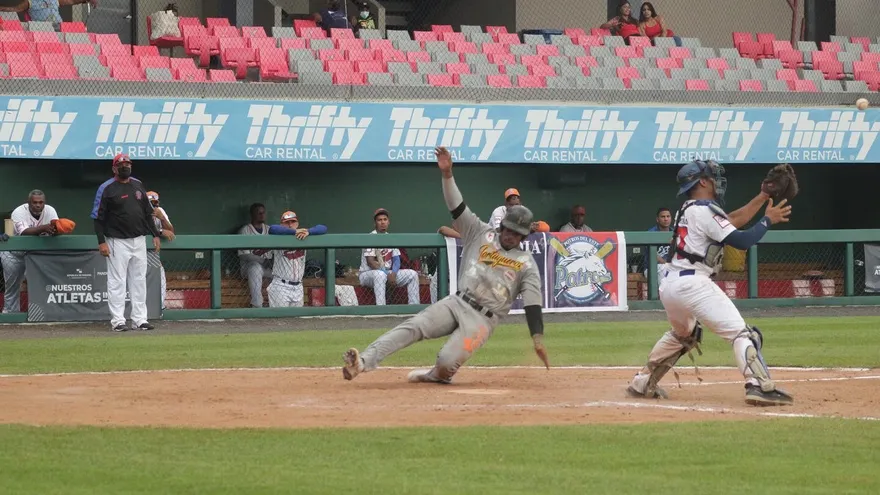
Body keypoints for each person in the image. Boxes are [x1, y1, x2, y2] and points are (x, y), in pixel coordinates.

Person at [342, 147, 549, 383]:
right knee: (414, 326)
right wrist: (447, 174)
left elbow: (533, 303)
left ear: (523, 237)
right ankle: (362, 362)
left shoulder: (526, 263)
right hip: (457, 301)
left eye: (517, 233)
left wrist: (537, 338)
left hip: (483, 319)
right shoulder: (480, 232)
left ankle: (435, 375)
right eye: (509, 229)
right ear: (502, 226)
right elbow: (457, 206)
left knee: (446, 363)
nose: (511, 235)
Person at [626, 159, 794, 406]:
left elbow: (733, 220)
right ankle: (758, 385)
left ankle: (642, 381)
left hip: (671, 285)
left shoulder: (690, 208)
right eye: (713, 176)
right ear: (702, 181)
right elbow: (743, 240)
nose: (717, 181)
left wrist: (762, 196)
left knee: (684, 335)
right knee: (743, 333)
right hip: (693, 284)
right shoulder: (704, 210)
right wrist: (767, 220)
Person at [92, 154, 162, 332]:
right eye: (122, 164)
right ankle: (118, 321)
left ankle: (140, 319)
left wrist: (154, 234)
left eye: (128, 164)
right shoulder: (106, 188)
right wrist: (101, 242)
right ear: (114, 168)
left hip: (138, 239)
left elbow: (147, 212)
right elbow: (97, 218)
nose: (125, 167)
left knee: (139, 280)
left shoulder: (137, 184)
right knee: (117, 281)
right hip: (116, 240)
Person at [1, 189, 59, 313]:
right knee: (12, 286)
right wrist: (43, 228)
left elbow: (56, 229)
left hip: (35, 255)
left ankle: (42, 313)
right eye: (35, 202)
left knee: (40, 284)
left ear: (44, 202)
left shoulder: (50, 211)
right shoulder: (19, 211)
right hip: (14, 254)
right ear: (28, 202)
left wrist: (57, 229)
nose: (38, 205)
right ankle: (10, 314)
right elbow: (24, 232)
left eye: (41, 202)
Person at [358, 208, 420, 306]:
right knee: (380, 275)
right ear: (375, 223)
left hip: (387, 273)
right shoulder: (370, 237)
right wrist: (387, 274)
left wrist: (394, 274)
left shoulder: (390, 237)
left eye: (385, 219)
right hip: (368, 274)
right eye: (379, 220)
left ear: (388, 222)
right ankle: (381, 308)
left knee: (412, 274)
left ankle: (414, 306)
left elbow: (396, 260)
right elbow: (371, 262)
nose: (383, 222)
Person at [266, 210, 328, 308]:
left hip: (298, 286)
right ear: (281, 224)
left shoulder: (304, 234)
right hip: (281, 285)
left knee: (297, 320)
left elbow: (323, 228)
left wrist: (308, 232)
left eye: (293, 222)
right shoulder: (278, 235)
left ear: (297, 223)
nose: (290, 225)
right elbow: (272, 229)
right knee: (280, 320)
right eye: (286, 223)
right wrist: (295, 231)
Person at [238, 203, 271, 309]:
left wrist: (273, 262)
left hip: (269, 267)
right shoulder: (245, 231)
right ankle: (257, 305)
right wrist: (263, 261)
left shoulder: (270, 230)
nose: (262, 215)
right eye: (259, 213)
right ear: (252, 214)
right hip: (248, 268)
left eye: (263, 212)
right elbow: (245, 255)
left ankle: (276, 303)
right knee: (255, 268)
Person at [147, 191, 175, 311]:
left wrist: (162, 218)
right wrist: (159, 232)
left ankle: (160, 307)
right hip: (136, 250)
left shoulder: (159, 211)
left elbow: (171, 231)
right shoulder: (137, 210)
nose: (154, 206)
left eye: (155, 203)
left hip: (153, 253)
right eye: (151, 203)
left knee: (160, 278)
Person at [0, 0, 98, 30]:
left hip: (59, 28)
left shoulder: (54, 0)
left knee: (79, 29)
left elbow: (71, 1)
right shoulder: (31, 2)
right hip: (42, 29)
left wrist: (85, 0)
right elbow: (15, 9)